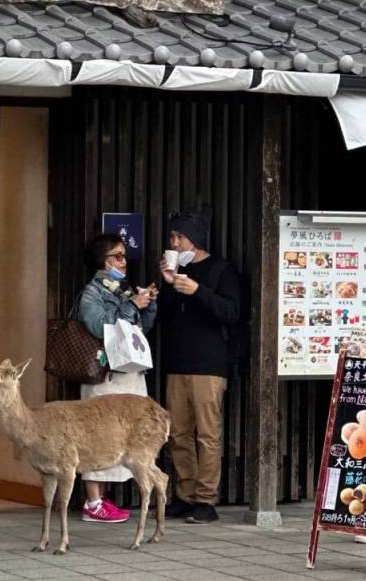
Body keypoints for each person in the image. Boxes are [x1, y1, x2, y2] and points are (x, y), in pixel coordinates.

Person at [158, 209, 240, 525]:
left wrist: (197, 291)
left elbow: (232, 312)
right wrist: (168, 283)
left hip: (209, 364)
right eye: (172, 237)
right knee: (178, 433)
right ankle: (185, 495)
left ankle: (206, 499)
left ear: (196, 238)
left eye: (180, 236)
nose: (174, 242)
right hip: (177, 362)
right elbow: (165, 315)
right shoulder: (176, 269)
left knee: (207, 434)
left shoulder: (221, 270)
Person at [77, 233, 158, 523]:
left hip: (128, 373)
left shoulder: (122, 290)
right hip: (105, 376)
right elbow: (100, 326)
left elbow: (139, 330)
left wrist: (148, 304)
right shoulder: (92, 292)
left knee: (121, 437)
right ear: (103, 260)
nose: (124, 262)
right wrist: (132, 305)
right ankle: (93, 503)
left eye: (125, 256)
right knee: (97, 435)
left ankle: (101, 499)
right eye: (118, 256)